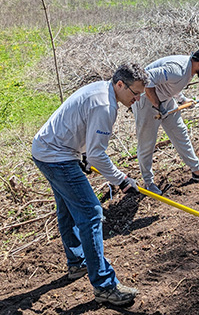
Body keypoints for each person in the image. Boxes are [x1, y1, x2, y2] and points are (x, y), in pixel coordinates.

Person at [32, 64, 149, 306]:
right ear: (120, 84)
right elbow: (97, 155)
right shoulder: (105, 106)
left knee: (67, 208)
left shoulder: (102, 91)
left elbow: (85, 137)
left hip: (48, 149)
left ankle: (78, 263)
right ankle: (105, 286)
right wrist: (121, 180)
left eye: (140, 95)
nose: (137, 100)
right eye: (135, 93)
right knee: (91, 213)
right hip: (56, 155)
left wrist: (81, 156)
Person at [132, 47, 199, 196]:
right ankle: (148, 182)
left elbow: (171, 84)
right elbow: (147, 78)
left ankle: (197, 171)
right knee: (147, 143)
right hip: (146, 100)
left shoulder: (188, 69)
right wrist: (157, 105)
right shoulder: (178, 69)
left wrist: (182, 99)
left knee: (180, 133)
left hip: (165, 99)